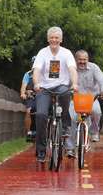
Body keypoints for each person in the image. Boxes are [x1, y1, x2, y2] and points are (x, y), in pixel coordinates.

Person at [33, 26, 78, 162]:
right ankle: (41, 150)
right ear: (48, 39)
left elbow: (72, 69)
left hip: (61, 86)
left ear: (61, 39)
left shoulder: (66, 53)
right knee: (41, 115)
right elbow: (36, 70)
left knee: (65, 93)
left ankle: (65, 125)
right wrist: (36, 83)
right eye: (51, 37)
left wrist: (74, 83)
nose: (54, 40)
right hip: (44, 88)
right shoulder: (42, 53)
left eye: (56, 38)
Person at [68, 50, 103, 149]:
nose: (82, 62)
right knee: (71, 119)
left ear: (88, 59)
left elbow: (102, 80)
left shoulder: (94, 68)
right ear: (75, 60)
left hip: (91, 98)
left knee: (97, 112)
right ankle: (70, 148)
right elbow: (65, 81)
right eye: (80, 60)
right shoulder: (71, 69)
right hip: (75, 98)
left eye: (84, 59)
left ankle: (94, 131)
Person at [20, 56, 37, 142]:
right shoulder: (28, 74)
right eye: (34, 63)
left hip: (42, 96)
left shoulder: (45, 74)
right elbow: (23, 86)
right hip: (32, 96)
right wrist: (24, 93)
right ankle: (29, 132)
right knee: (28, 111)